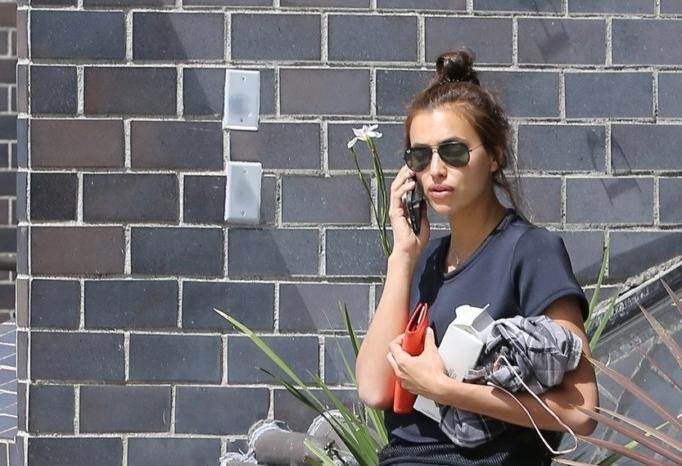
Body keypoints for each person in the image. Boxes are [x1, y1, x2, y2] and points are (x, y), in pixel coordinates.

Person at [354, 46, 599, 466]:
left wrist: (446, 390)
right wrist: (402, 256)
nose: (435, 170)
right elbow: (374, 389)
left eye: (453, 152)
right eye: (420, 156)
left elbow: (582, 409)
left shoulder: (530, 251)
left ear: (494, 156)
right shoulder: (424, 260)